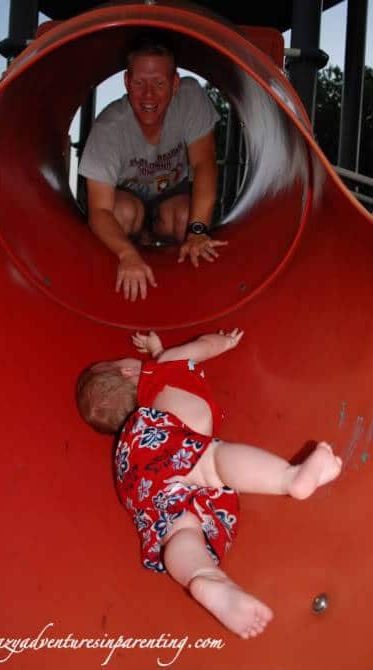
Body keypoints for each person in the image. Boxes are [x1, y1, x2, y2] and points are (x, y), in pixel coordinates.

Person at [76, 329, 342, 639]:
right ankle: (288, 478)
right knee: (213, 462)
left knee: (179, 530)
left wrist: (158, 349)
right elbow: (202, 348)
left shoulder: (146, 407)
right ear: (130, 371)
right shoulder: (161, 366)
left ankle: (205, 577)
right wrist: (223, 342)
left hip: (135, 479)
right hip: (160, 444)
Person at [78, 36, 227, 302]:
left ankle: (176, 283)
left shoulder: (189, 98)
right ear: (126, 82)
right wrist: (127, 254)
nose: (149, 95)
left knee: (186, 217)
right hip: (129, 197)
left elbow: (204, 164)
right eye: (139, 83)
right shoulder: (109, 128)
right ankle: (134, 248)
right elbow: (99, 211)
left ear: (175, 83)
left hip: (171, 196)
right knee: (121, 213)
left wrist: (197, 232)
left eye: (159, 83)